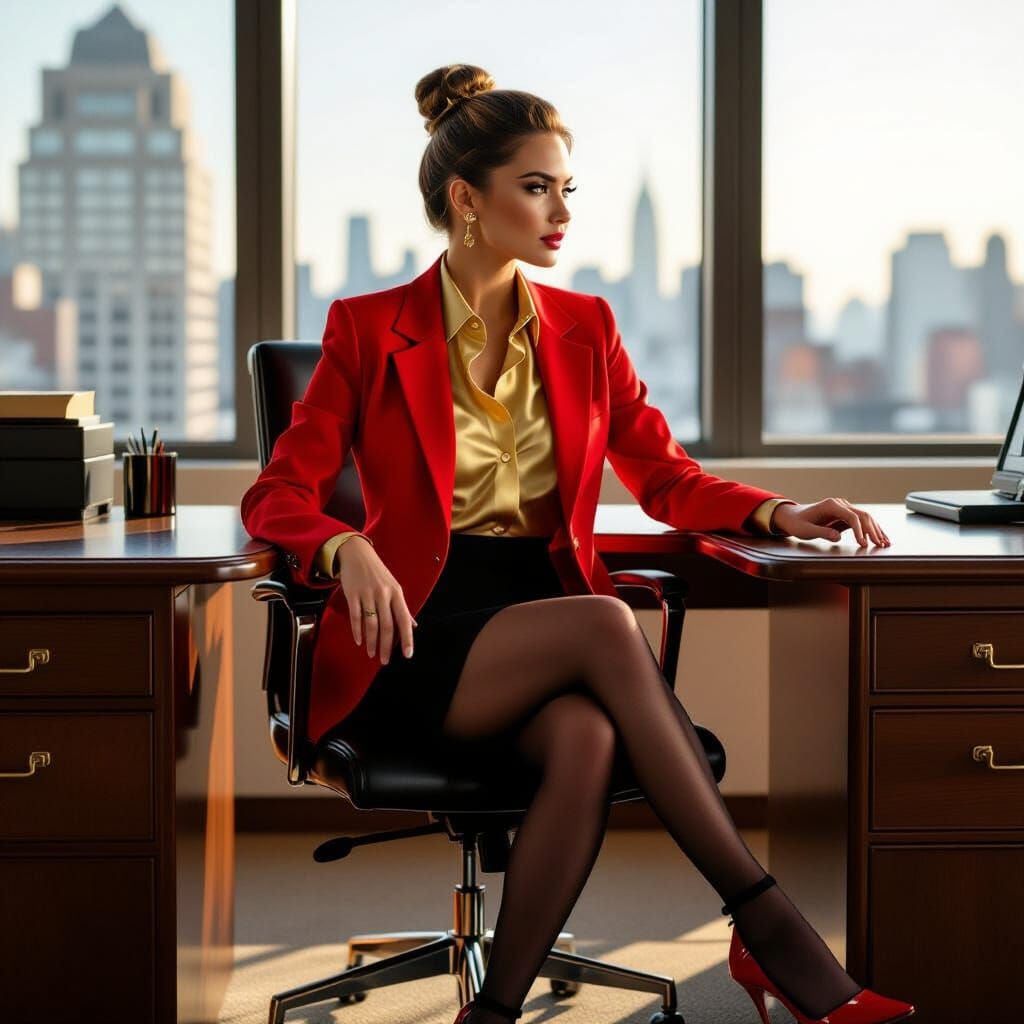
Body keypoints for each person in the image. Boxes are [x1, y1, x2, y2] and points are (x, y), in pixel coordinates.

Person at [242, 63, 913, 1024]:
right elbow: (277, 497)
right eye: (536, 187)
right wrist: (344, 548)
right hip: (417, 634)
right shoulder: (368, 327)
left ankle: (492, 1012)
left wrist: (777, 513)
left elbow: (666, 477)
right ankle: (773, 933)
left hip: (543, 619)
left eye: (567, 188)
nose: (562, 213)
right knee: (604, 622)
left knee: (589, 733)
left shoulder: (586, 327)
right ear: (466, 200)